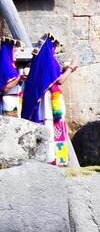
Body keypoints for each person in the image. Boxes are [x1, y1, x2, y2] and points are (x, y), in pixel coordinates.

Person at [20, 34, 74, 166]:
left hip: (44, 103)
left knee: (47, 126)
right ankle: (56, 158)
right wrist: (72, 67)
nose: (54, 50)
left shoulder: (37, 64)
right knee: (53, 126)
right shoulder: (49, 61)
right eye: (54, 47)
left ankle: (51, 157)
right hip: (50, 102)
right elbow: (60, 80)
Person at [1, 36, 20, 116]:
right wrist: (18, 78)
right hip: (9, 100)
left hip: (15, 99)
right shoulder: (6, 65)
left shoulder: (11, 65)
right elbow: (6, 87)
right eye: (14, 51)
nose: (16, 54)